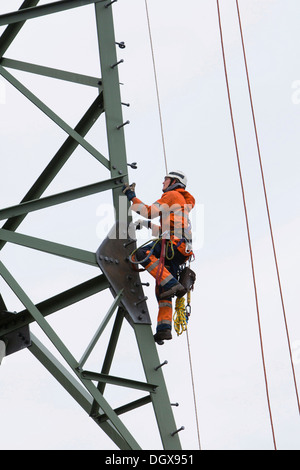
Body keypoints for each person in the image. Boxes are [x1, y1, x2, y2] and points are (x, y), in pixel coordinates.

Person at [123, 170, 195, 344]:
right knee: (163, 292)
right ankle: (164, 329)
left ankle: (172, 283)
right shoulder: (181, 202)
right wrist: (147, 225)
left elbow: (148, 211)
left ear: (174, 182)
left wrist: (131, 196)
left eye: (166, 179)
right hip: (179, 249)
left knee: (141, 254)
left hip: (173, 245)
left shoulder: (171, 195)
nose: (163, 183)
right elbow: (168, 229)